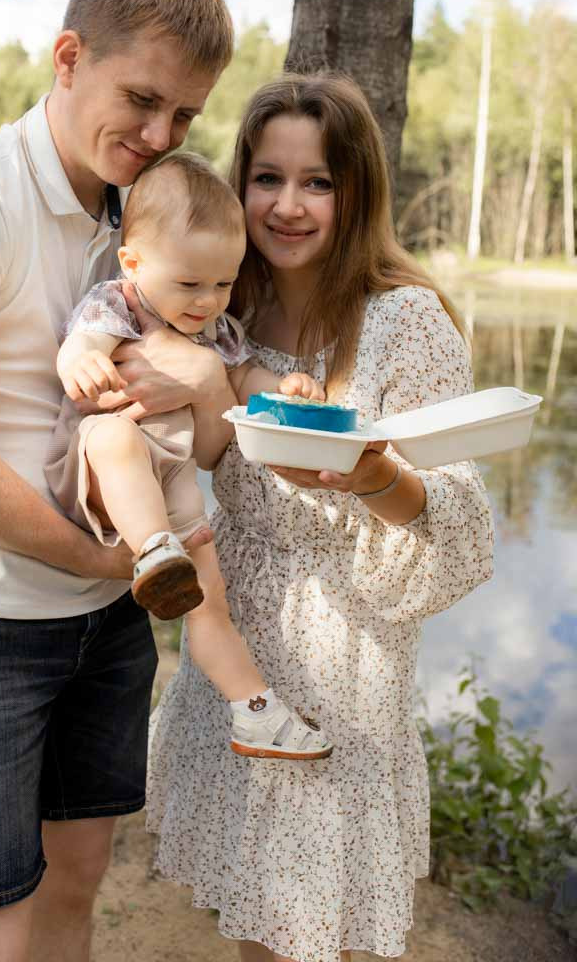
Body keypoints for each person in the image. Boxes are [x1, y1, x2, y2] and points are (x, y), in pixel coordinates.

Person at [0, 0, 237, 962]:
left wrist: (206, 382)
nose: (159, 136)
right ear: (69, 57)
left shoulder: (145, 212)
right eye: (143, 100)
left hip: (108, 623)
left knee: (74, 891)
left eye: (185, 116)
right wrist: (108, 560)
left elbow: (209, 387)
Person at [146, 72, 495, 962]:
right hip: (236, 660)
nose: (288, 206)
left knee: (313, 937)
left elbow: (461, 534)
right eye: (268, 178)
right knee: (257, 932)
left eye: (319, 182)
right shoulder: (223, 304)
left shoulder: (405, 321)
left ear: (357, 192)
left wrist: (371, 475)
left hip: (347, 675)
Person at [45, 150, 332, 761]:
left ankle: (254, 710)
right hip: (99, 464)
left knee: (208, 601)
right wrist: (84, 360)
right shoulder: (117, 304)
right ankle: (153, 550)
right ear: (134, 263)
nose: (208, 301)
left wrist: (284, 390)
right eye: (190, 284)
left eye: (223, 284)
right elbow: (80, 344)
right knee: (117, 437)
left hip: (170, 480)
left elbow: (244, 376)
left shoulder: (215, 330)